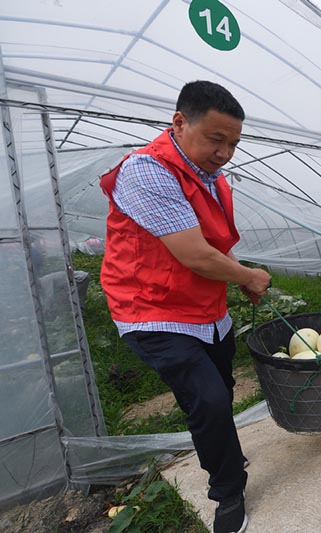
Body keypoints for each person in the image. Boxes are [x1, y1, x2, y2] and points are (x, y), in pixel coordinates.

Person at [100, 80, 269, 533]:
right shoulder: (147, 170)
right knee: (208, 399)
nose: (225, 152)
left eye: (233, 143)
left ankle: (222, 448)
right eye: (216, 139)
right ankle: (228, 490)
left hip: (206, 310)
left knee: (222, 387)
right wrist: (248, 276)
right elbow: (194, 254)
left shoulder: (209, 178)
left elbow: (215, 244)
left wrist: (238, 275)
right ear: (179, 122)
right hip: (152, 309)